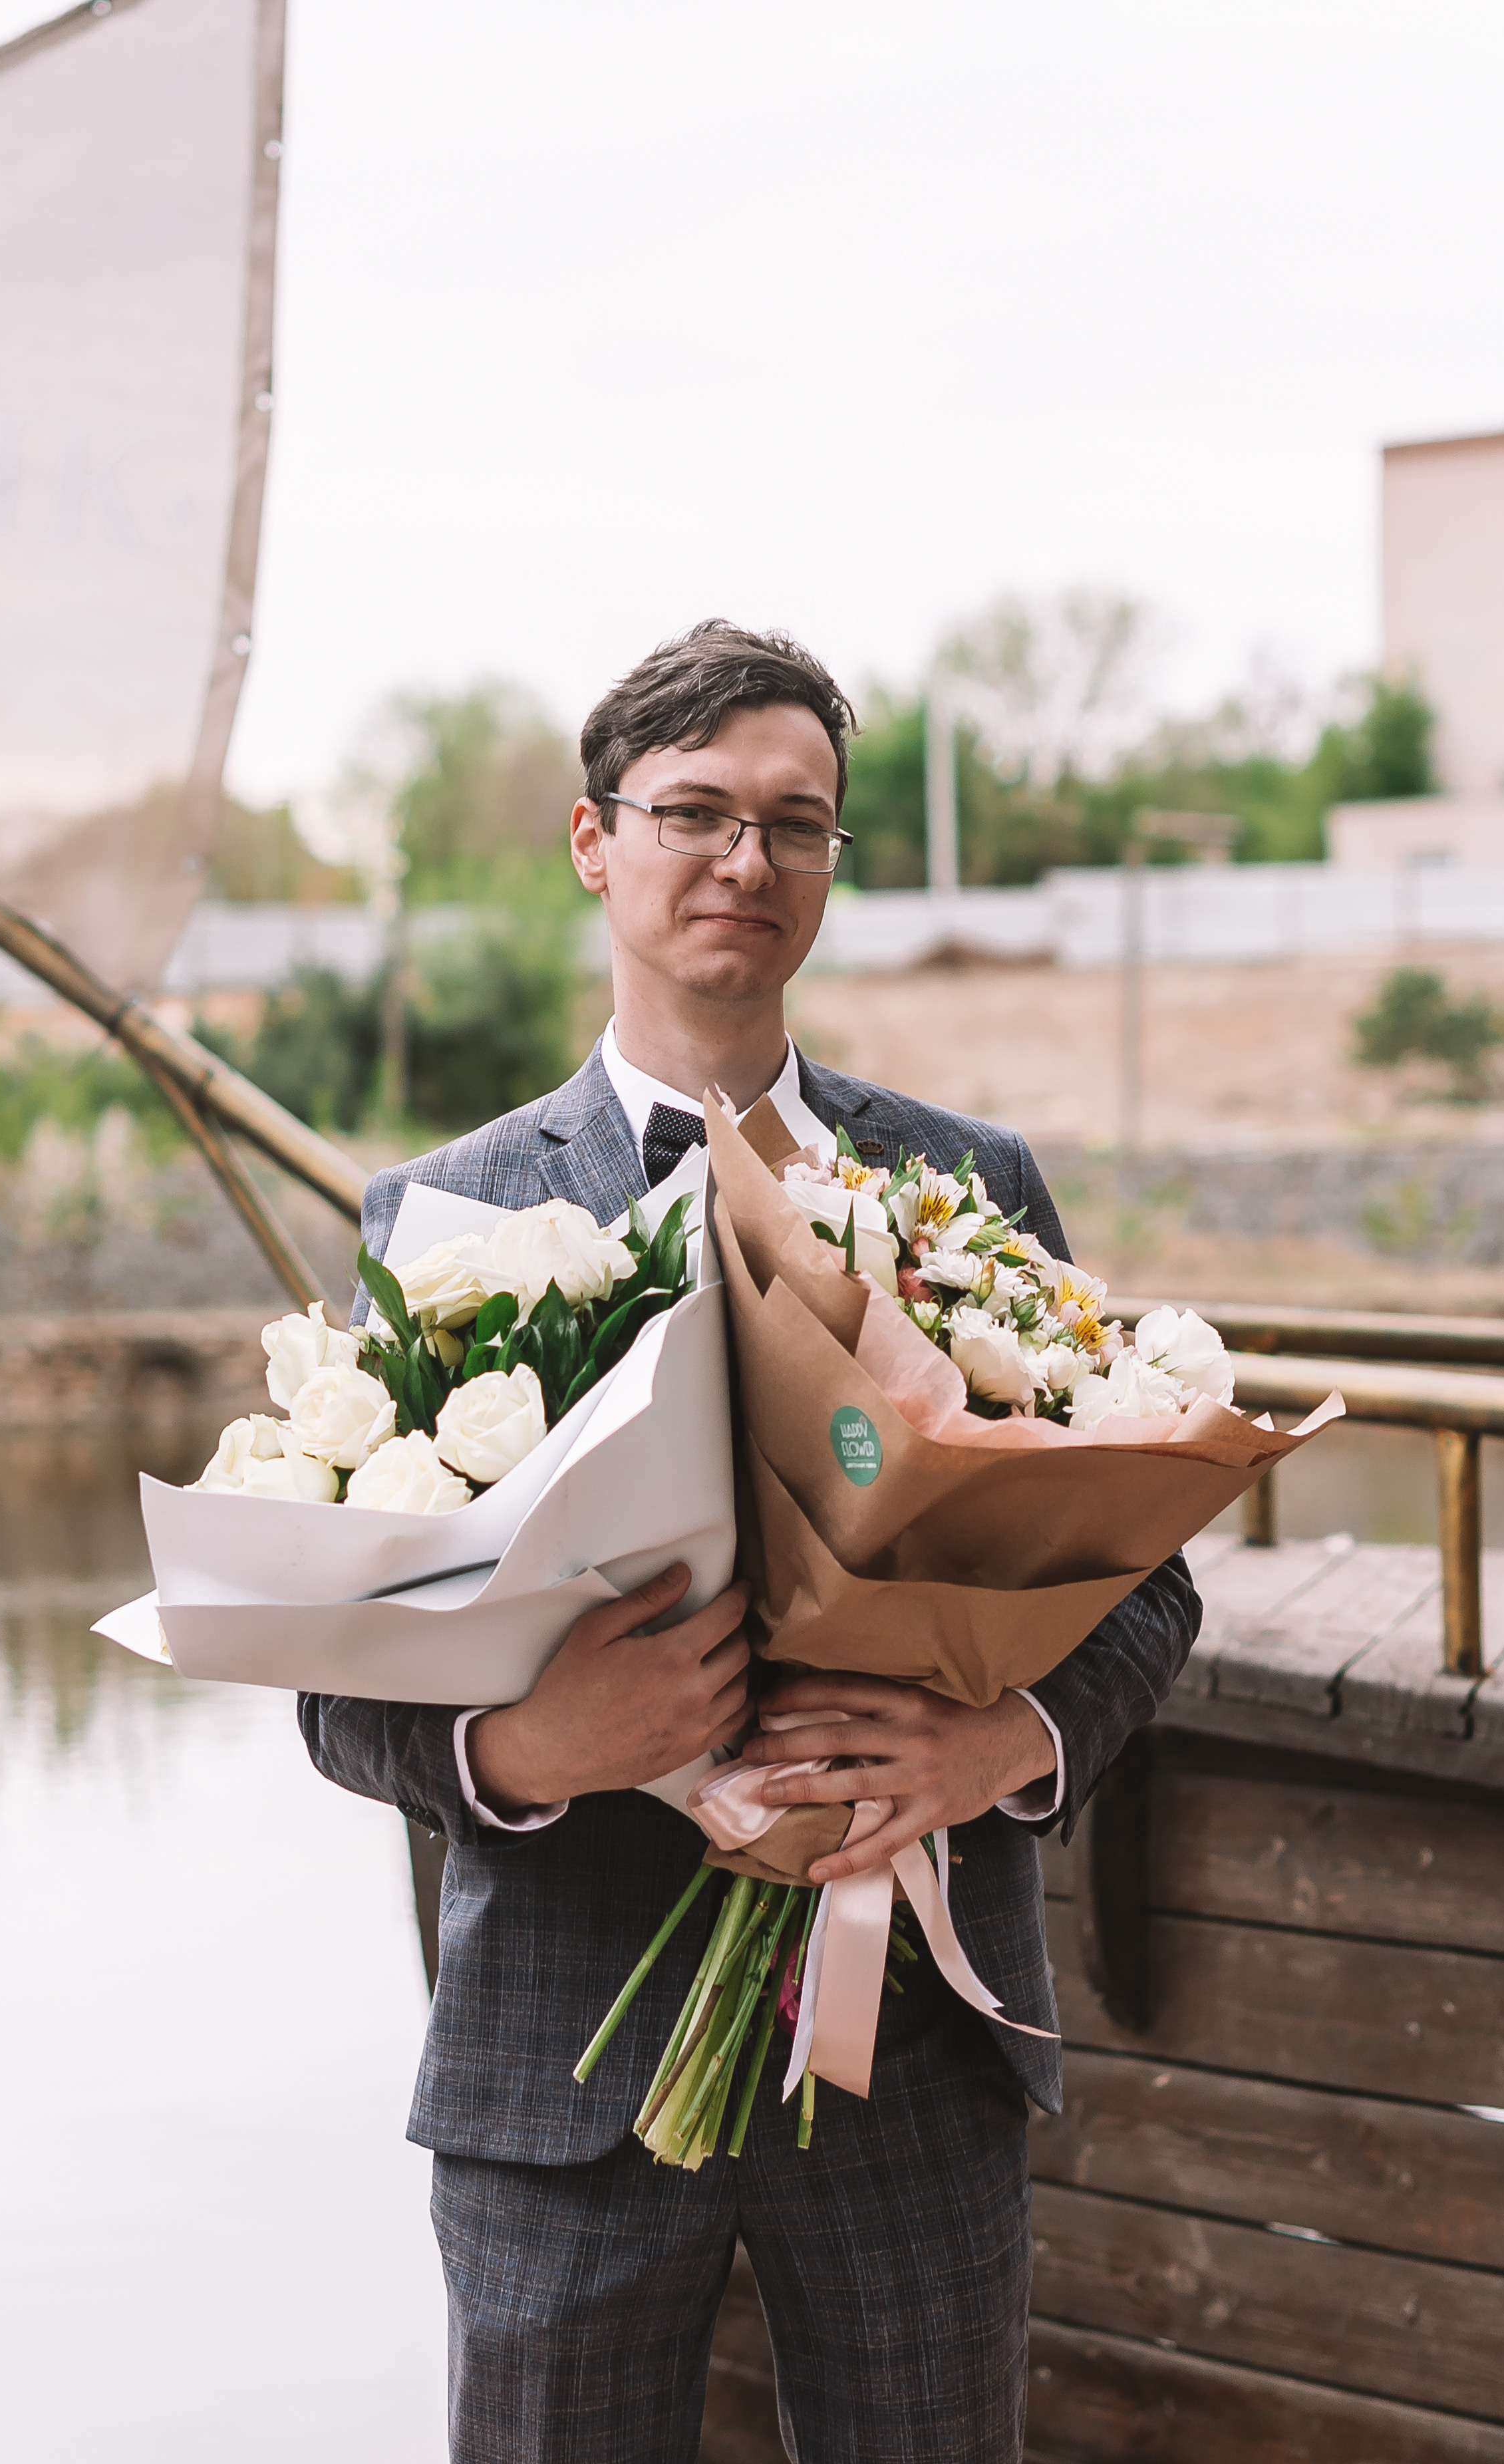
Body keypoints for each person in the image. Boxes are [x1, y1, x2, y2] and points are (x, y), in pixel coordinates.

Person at [299, 620, 1200, 2463]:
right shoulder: (443, 1215)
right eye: (696, 812)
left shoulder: (970, 1185)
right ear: (592, 840)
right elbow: (334, 1673)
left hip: (915, 2063)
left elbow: (1143, 1581)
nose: (746, 860)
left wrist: (998, 1744)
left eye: (797, 824)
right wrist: (524, 1748)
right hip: (561, 2064)